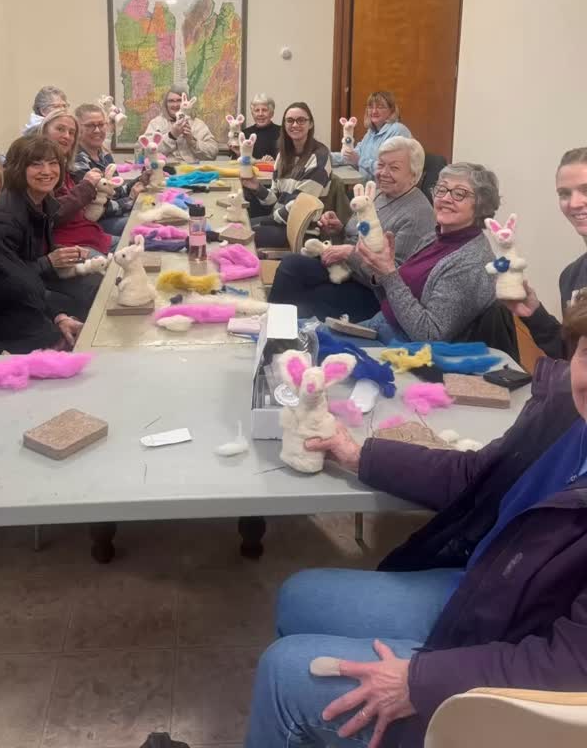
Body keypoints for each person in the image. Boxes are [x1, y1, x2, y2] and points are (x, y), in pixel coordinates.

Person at [246, 294, 587, 748]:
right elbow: (474, 475)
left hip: (513, 666)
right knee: (297, 596)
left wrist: (421, 682)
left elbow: (573, 667)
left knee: (283, 675)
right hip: (488, 595)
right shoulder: (567, 413)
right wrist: (358, 455)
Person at [269, 137, 435, 320]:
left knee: (306, 295)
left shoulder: (417, 215)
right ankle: (273, 329)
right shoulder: (380, 193)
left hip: (374, 296)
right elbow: (358, 235)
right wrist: (338, 230)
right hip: (347, 271)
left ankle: (279, 333)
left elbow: (393, 279)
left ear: (414, 175)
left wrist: (350, 253)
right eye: (381, 165)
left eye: (394, 168)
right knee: (291, 266)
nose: (383, 173)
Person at [0, 139, 80, 354]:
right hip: (12, 368)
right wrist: (2, 359)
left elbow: (22, 282)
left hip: (47, 344)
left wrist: (59, 318)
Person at [356, 162, 499, 343]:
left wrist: (390, 274)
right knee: (310, 335)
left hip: (405, 349)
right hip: (383, 324)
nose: (446, 198)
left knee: (312, 346)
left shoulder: (472, 263)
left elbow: (430, 335)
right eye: (441, 189)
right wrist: (380, 272)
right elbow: (394, 296)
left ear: (481, 205)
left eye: (459, 193)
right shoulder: (434, 237)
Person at [0, 136, 102, 321]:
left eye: (53, 163)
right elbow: (2, 278)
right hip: (14, 295)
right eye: (36, 164)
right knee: (93, 290)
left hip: (36, 276)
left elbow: (33, 250)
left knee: (99, 277)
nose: (47, 171)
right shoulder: (5, 215)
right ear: (18, 168)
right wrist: (49, 261)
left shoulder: (42, 200)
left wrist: (60, 252)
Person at [502, 147, 587, 358]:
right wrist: (534, 314)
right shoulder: (571, 276)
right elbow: (572, 355)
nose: (574, 203)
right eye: (564, 194)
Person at [244, 102, 332, 249]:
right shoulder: (283, 155)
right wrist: (256, 187)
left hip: (303, 231)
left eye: (301, 120)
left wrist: (263, 221)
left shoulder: (319, 156)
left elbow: (297, 208)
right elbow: (275, 199)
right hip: (280, 223)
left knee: (238, 234)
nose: (295, 125)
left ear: (310, 124)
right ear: (284, 125)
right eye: (290, 120)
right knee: (236, 227)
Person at [34, 109, 114, 254]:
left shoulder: (64, 167)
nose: (66, 136)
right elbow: (53, 214)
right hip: (69, 244)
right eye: (60, 129)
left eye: (71, 133)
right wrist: (87, 185)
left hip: (91, 235)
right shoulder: (38, 169)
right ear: (44, 131)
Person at [73, 103, 146, 236]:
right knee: (141, 226)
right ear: (78, 129)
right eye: (90, 125)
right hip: (93, 224)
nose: (97, 130)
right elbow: (97, 208)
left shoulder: (104, 154)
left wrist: (141, 180)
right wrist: (130, 200)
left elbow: (116, 192)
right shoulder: (77, 160)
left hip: (111, 216)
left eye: (101, 124)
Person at [332, 90, 411, 179]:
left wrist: (359, 160)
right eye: (370, 107)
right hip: (367, 188)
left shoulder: (398, 130)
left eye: (380, 107)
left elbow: (389, 169)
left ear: (392, 111)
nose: (374, 111)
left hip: (387, 190)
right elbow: (352, 155)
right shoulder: (371, 132)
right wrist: (324, 157)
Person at [141, 87, 218, 164]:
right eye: (171, 101)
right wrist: (171, 136)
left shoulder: (198, 124)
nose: (175, 105)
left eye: (179, 100)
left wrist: (192, 141)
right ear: (166, 104)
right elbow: (146, 153)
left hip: (192, 170)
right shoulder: (155, 123)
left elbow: (212, 153)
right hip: (164, 170)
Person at [243, 94, 281, 161]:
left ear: (272, 113)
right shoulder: (244, 134)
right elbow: (239, 162)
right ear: (252, 114)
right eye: (257, 110)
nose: (260, 114)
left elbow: (288, 159)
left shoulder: (282, 132)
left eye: (264, 110)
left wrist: (274, 162)